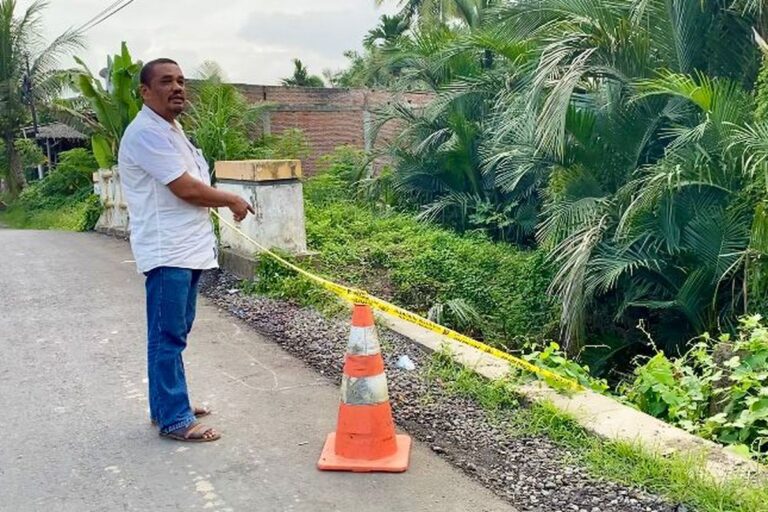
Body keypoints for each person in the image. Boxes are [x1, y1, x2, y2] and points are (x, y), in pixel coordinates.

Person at [118, 58, 254, 442]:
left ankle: (168, 403)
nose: (177, 87)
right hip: (167, 252)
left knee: (176, 331)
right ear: (145, 92)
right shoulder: (146, 133)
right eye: (165, 82)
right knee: (167, 335)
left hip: (187, 249)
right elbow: (186, 188)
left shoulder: (172, 130)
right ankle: (175, 419)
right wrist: (231, 199)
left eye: (180, 81)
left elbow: (190, 184)